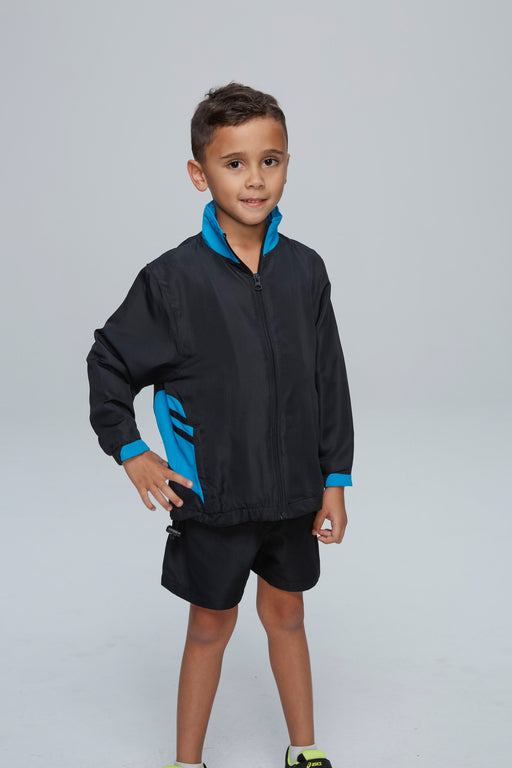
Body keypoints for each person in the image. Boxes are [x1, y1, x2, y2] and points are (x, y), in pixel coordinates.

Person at [86, 82, 354, 768]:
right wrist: (131, 450)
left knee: (288, 616)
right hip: (214, 498)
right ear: (198, 173)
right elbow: (108, 362)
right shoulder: (172, 280)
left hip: (294, 495)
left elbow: (329, 380)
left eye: (270, 160)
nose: (254, 179)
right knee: (210, 626)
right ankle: (188, 761)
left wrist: (334, 479)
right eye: (234, 163)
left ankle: (304, 749)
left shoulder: (306, 271)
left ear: (287, 164)